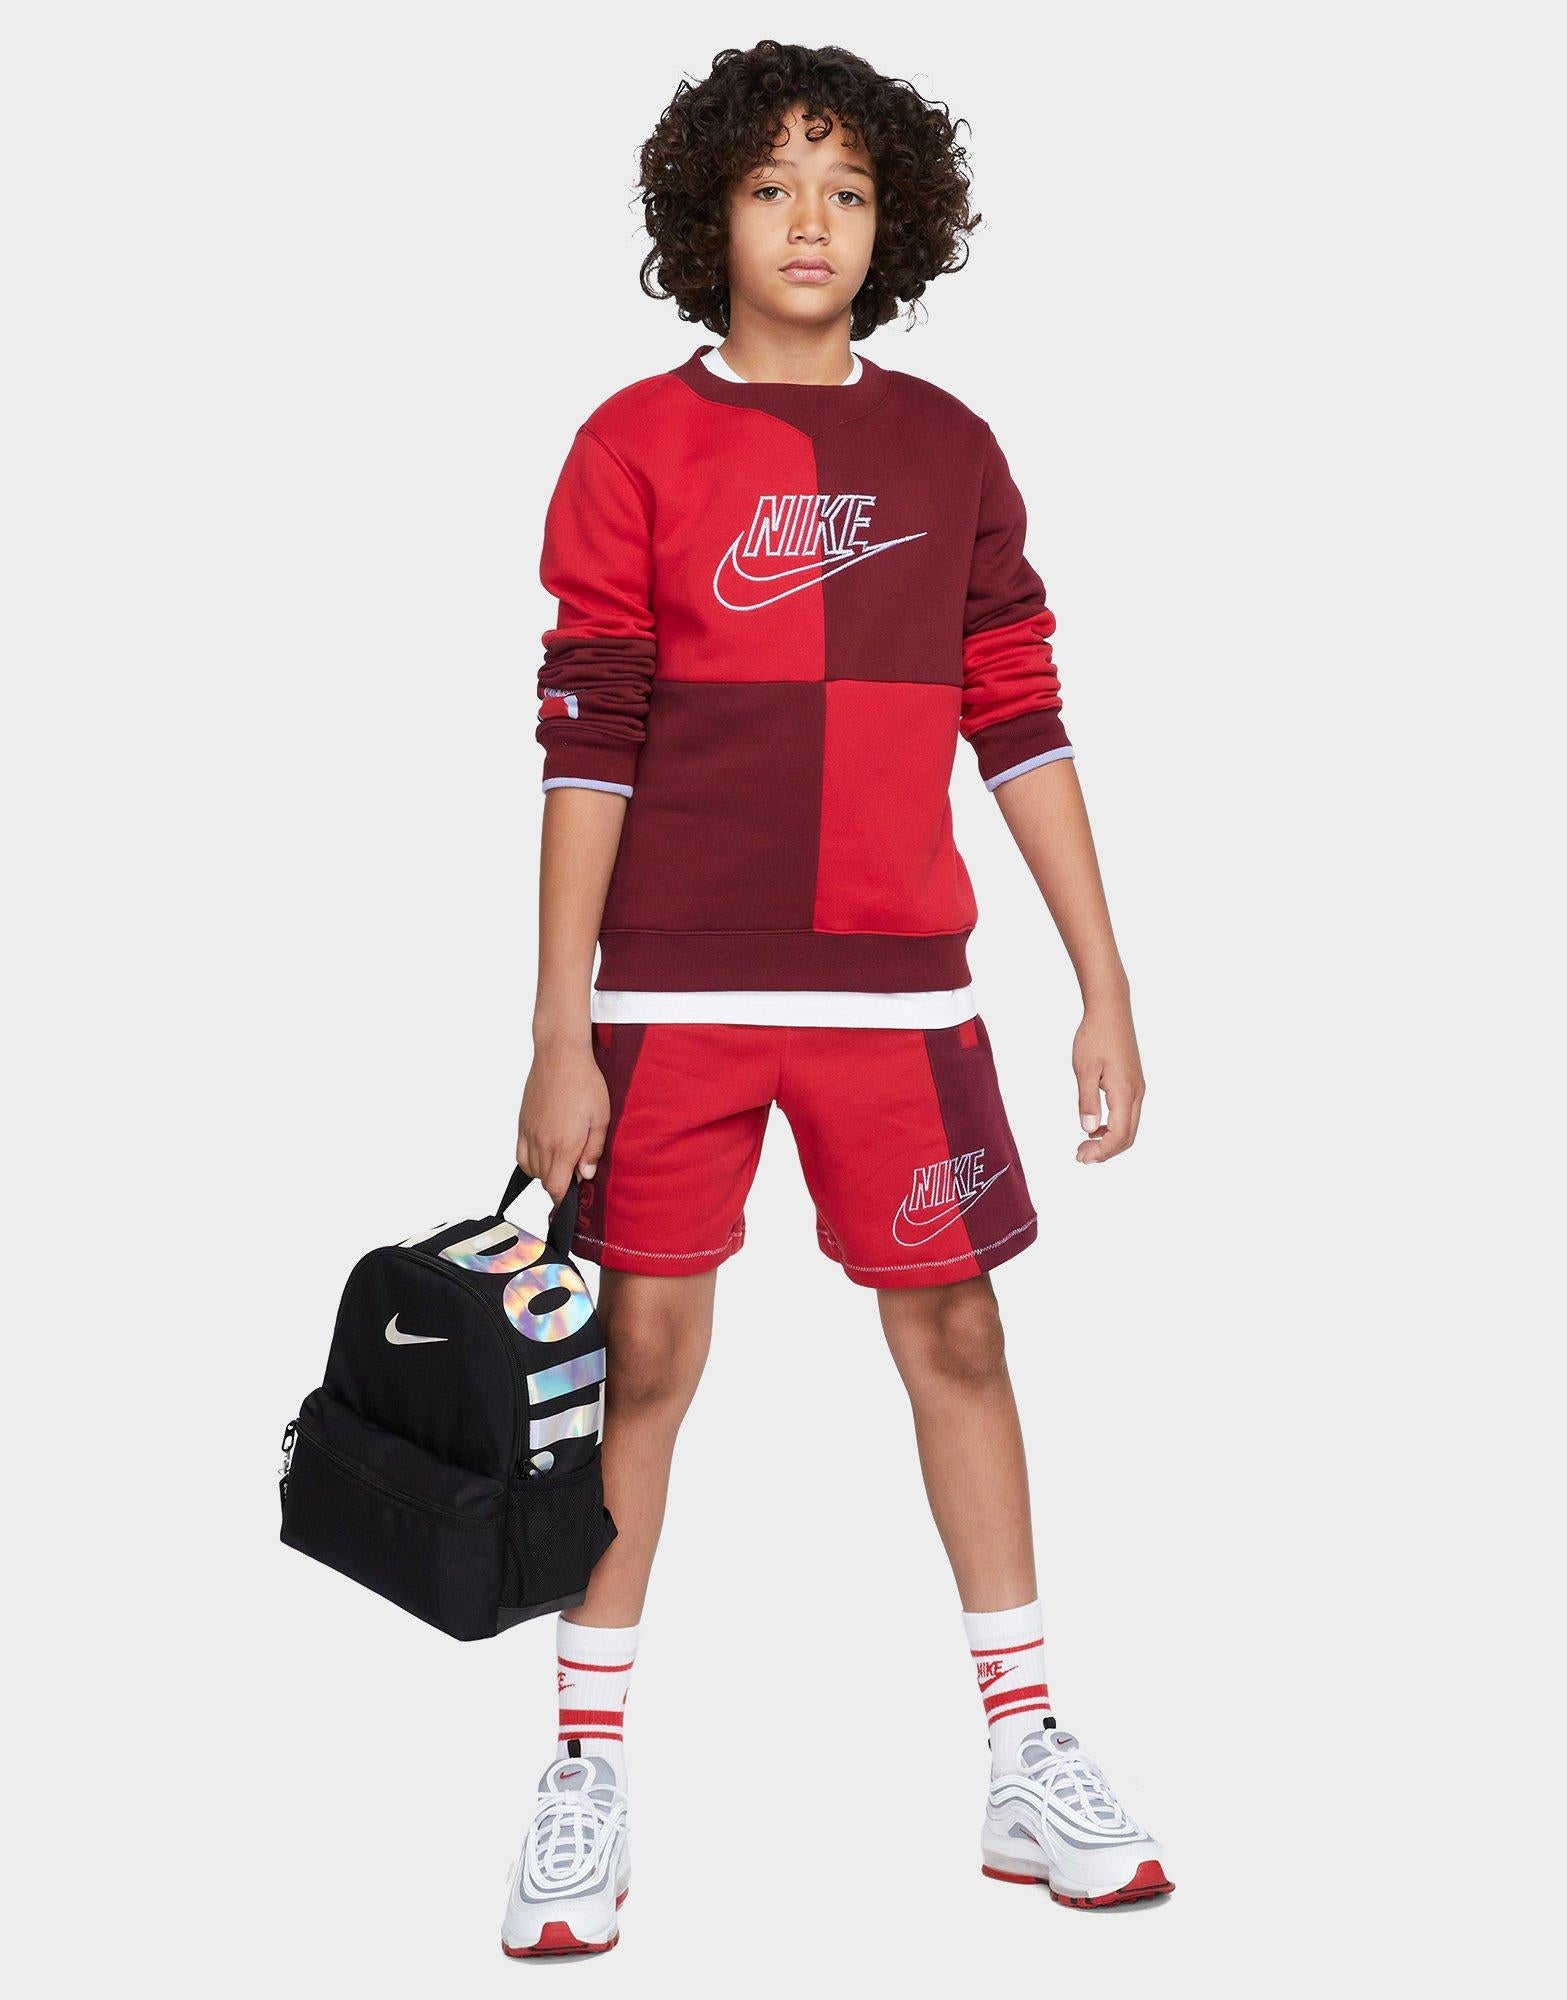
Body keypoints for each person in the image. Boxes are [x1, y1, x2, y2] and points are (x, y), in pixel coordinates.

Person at [503, 40, 1170, 1958]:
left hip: (899, 999)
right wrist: (560, 1029)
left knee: (957, 1333)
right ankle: (584, 1769)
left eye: (851, 189)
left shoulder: (950, 449)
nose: (813, 221)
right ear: (707, 212)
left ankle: (1025, 1746)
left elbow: (1019, 716)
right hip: (673, 993)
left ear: (900, 225)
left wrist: (1103, 979)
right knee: (641, 1360)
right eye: (775, 184)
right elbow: (588, 739)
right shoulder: (632, 443)